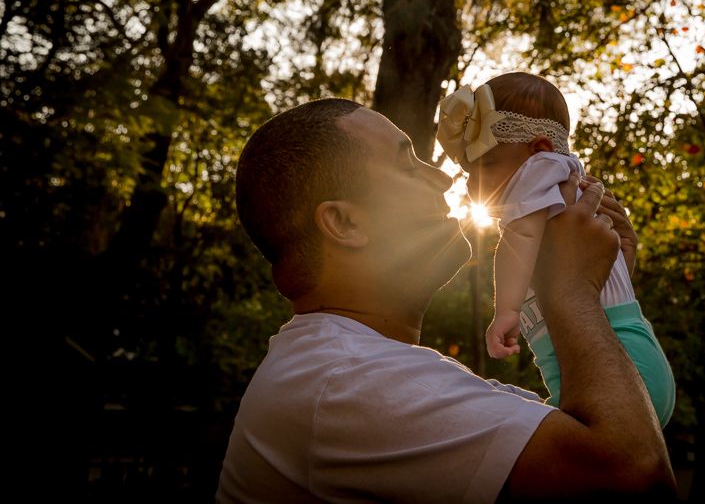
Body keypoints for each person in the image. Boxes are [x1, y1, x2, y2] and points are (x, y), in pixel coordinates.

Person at [217, 98, 675, 502]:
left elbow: (600, 426)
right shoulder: (347, 382)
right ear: (344, 223)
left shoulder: (345, 367)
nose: (440, 176)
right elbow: (633, 475)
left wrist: (606, 293)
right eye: (407, 163)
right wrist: (575, 291)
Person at [437, 73, 675, 428]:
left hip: (615, 358)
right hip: (626, 352)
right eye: (469, 171)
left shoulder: (542, 170)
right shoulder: (557, 189)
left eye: (487, 165)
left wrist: (506, 311)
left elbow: (520, 237)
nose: (473, 185)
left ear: (539, 149)